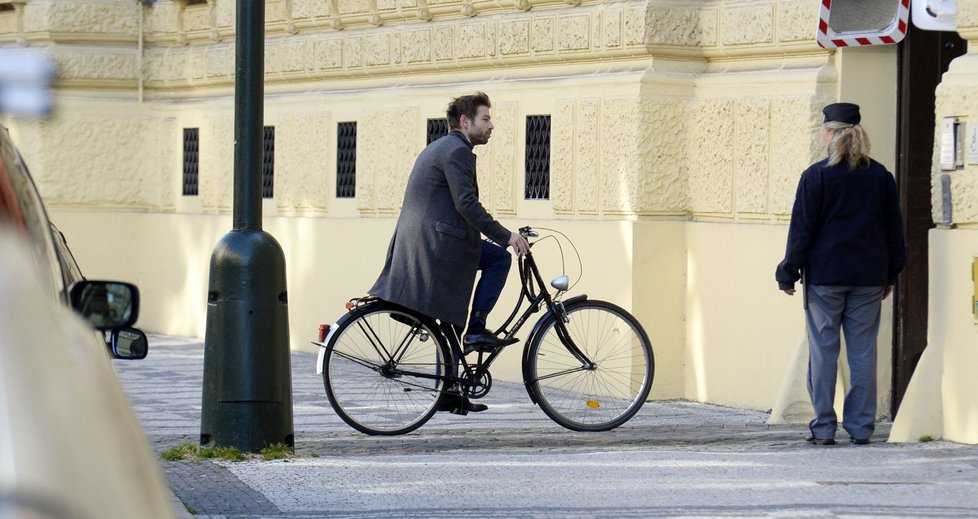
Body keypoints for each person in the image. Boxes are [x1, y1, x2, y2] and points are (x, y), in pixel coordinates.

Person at [369, 92, 530, 412]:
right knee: (498, 258)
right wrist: (505, 236)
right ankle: (477, 329)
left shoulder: (441, 146)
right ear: (465, 121)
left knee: (449, 318)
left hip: (424, 241)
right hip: (438, 245)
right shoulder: (458, 152)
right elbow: (466, 204)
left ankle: (450, 394)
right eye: (486, 119)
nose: (491, 126)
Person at [775, 102, 906, 446]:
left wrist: (787, 272)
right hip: (868, 278)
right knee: (863, 353)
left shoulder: (815, 176)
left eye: (823, 130)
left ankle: (823, 427)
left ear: (831, 133)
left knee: (823, 352)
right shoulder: (880, 177)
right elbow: (895, 232)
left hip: (825, 279)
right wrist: (891, 273)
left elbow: (801, 231)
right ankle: (862, 428)